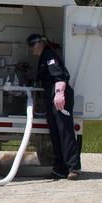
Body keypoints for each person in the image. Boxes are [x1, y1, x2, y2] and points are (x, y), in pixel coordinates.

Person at [28, 33, 81, 180]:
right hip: (51, 97)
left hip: (60, 96)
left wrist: (59, 93)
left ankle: (73, 167)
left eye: (32, 45)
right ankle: (59, 169)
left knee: (65, 131)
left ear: (39, 44)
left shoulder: (49, 55)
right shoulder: (44, 57)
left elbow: (60, 76)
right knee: (55, 134)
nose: (31, 49)